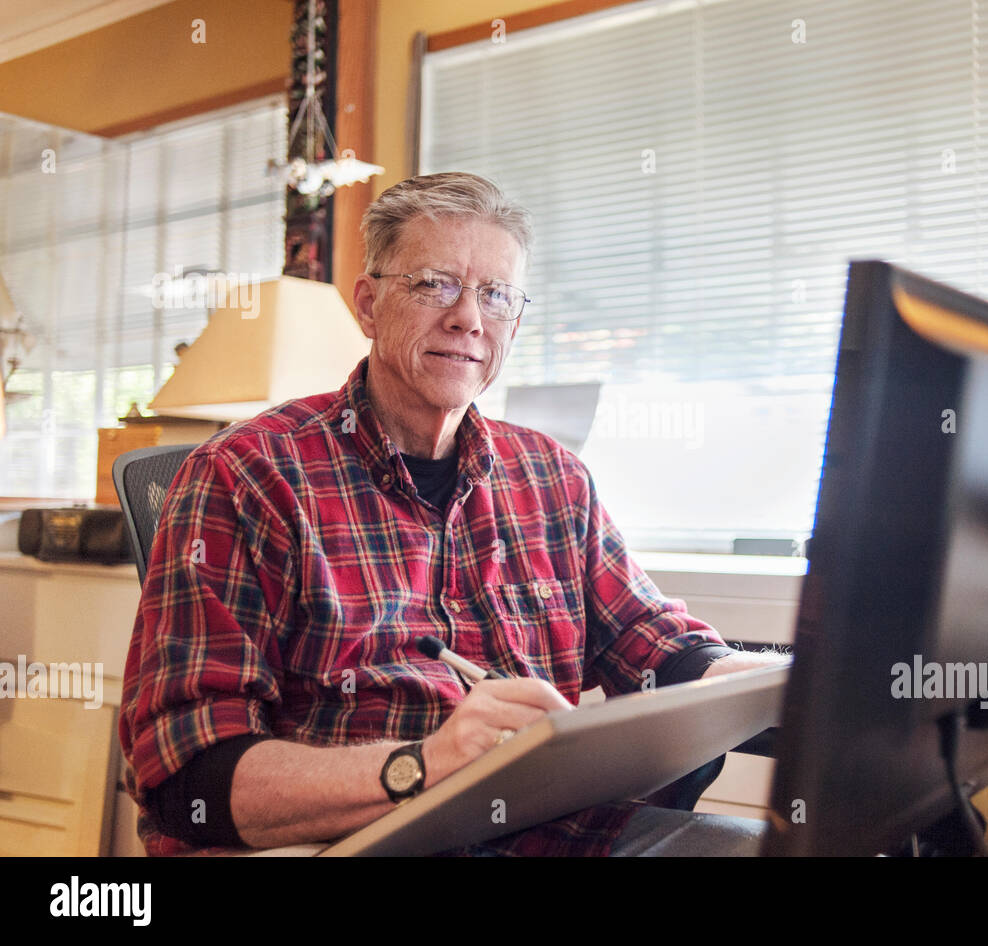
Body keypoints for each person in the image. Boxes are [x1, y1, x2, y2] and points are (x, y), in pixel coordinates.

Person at [118, 172, 783, 856]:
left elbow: (648, 638)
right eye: (435, 283)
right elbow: (184, 781)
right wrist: (427, 764)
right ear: (370, 306)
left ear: (514, 324)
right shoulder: (245, 476)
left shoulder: (554, 478)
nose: (469, 317)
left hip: (546, 834)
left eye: (494, 295)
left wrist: (739, 677)